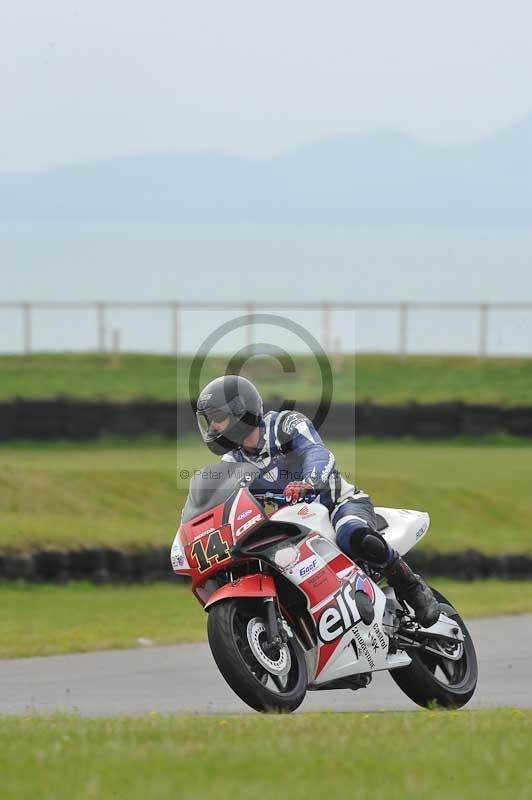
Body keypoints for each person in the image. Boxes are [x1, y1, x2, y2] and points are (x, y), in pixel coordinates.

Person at [194, 374, 440, 627]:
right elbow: (221, 501)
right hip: (296, 520)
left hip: (338, 504)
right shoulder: (232, 463)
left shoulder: (285, 426)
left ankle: (410, 585)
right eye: (210, 421)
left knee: (353, 535)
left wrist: (309, 482)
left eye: (218, 419)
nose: (213, 428)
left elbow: (317, 452)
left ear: (240, 411)